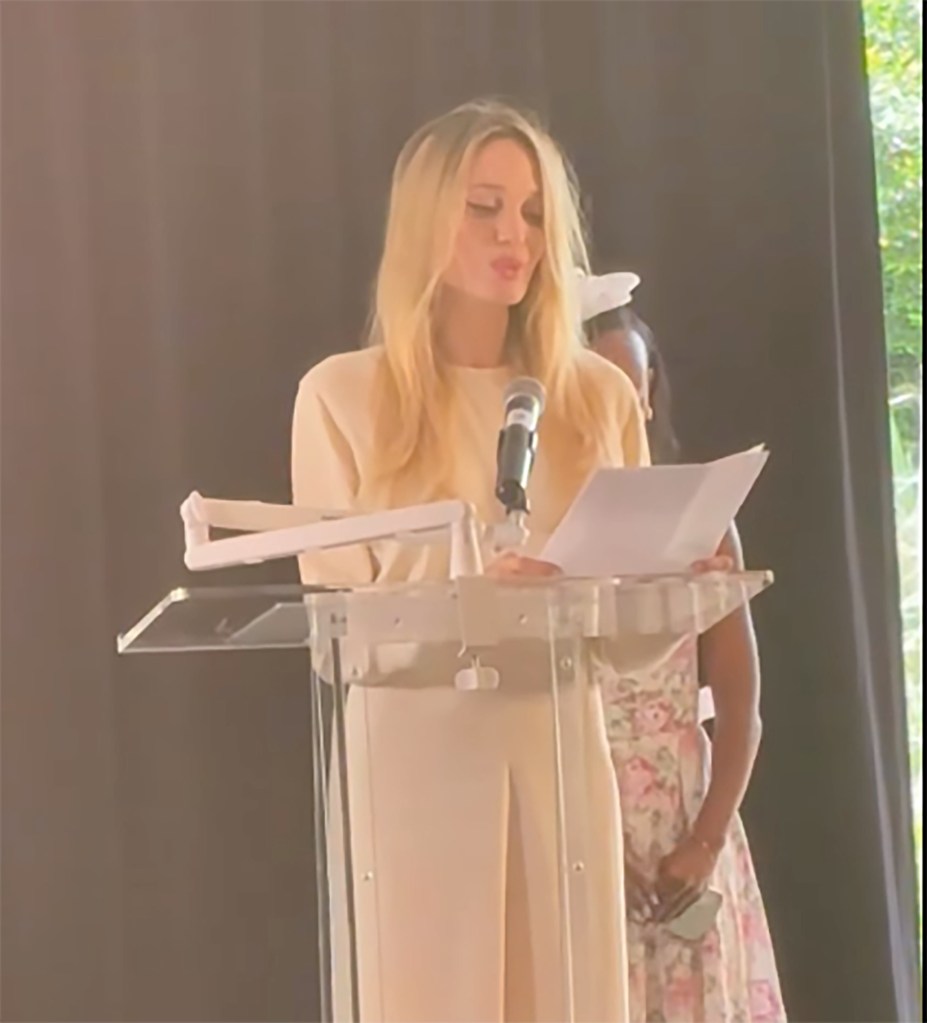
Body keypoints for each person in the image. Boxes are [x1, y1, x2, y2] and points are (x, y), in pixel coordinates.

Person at [290, 100, 653, 1023]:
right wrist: (464, 601)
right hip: (412, 767)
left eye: (533, 212)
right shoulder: (342, 395)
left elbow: (634, 642)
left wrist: (645, 591)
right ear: (422, 220)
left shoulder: (598, 397)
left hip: (558, 752)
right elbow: (338, 633)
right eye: (483, 205)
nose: (514, 235)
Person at [585, 296, 787, 1023]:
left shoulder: (703, 517)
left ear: (647, 390)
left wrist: (702, 842)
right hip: (578, 816)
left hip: (687, 822)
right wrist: (597, 848)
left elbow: (741, 709)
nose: (617, 405)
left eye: (628, 384)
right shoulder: (536, 539)